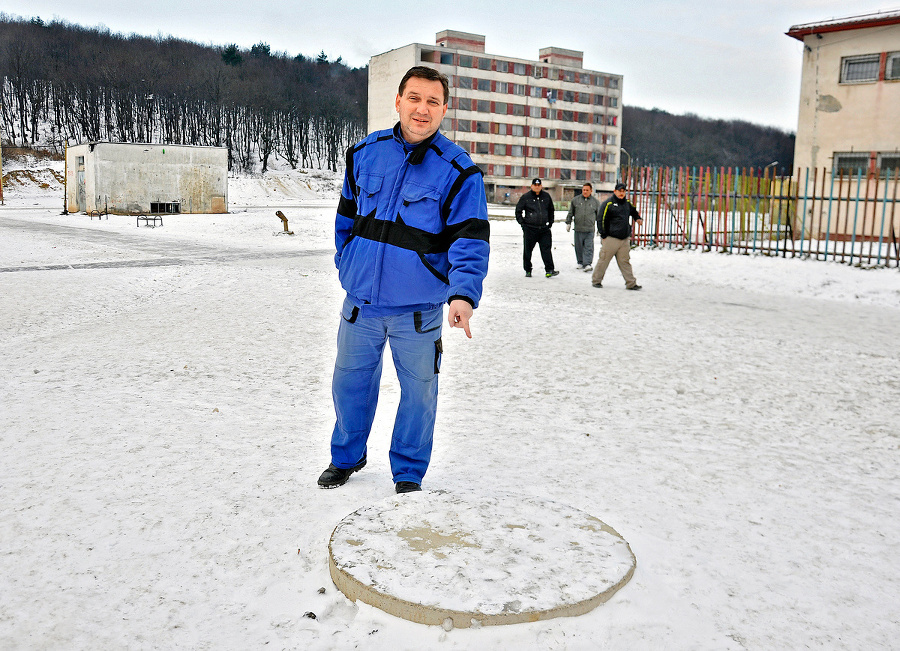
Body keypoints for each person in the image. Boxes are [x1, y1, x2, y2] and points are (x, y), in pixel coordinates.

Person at [317, 66, 490, 494]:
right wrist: (346, 263)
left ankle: (408, 473)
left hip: (417, 313)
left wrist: (463, 295)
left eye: (433, 101)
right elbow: (345, 220)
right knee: (349, 384)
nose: (422, 109)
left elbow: (470, 240)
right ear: (398, 101)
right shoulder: (365, 153)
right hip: (360, 307)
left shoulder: (459, 171)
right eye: (414, 98)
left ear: (444, 109)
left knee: (419, 395)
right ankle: (347, 457)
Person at [591, 182, 643, 290]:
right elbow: (601, 219)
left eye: (623, 191)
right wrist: (603, 234)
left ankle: (631, 283)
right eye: (619, 191)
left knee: (625, 262)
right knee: (604, 260)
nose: (621, 193)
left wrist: (637, 218)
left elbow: (633, 211)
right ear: (615, 192)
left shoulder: (627, 203)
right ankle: (596, 280)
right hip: (611, 238)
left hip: (624, 239)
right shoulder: (608, 204)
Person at [515, 178, 558, 278]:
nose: (537, 186)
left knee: (546, 250)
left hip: (544, 229)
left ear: (541, 186)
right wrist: (523, 224)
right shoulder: (526, 197)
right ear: (532, 186)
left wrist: (550, 222)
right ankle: (528, 270)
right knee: (528, 251)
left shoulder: (546, 196)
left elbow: (551, 210)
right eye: (535, 185)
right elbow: (518, 211)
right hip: (530, 229)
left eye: (539, 185)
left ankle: (549, 270)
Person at [565, 182, 601, 271]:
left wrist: (600, 228)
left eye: (587, 190)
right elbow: (571, 212)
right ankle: (580, 262)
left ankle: (587, 263)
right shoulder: (575, 200)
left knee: (588, 247)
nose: (585, 192)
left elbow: (599, 216)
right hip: (578, 229)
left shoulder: (595, 202)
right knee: (579, 247)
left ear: (591, 191)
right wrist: (568, 223)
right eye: (584, 190)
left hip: (589, 229)